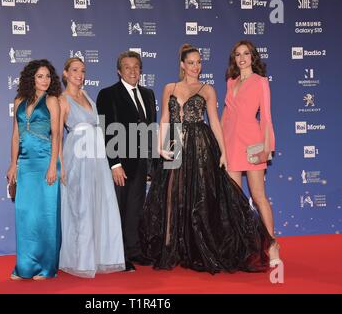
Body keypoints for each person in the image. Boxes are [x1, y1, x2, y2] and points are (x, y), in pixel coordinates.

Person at [139, 44, 273, 274]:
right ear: (182, 65)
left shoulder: (207, 89)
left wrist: (223, 151)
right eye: (191, 62)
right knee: (171, 195)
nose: (195, 67)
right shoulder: (169, 87)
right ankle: (170, 246)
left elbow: (215, 123)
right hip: (175, 143)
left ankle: (264, 242)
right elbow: (163, 119)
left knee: (197, 195)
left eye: (199, 62)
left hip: (200, 143)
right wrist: (160, 147)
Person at [58, 57, 125, 278]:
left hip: (96, 156)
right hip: (77, 157)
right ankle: (80, 260)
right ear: (65, 73)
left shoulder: (87, 95)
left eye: (83, 71)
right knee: (81, 206)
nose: (79, 74)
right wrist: (60, 165)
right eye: (75, 70)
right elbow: (57, 137)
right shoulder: (62, 100)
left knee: (100, 204)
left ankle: (99, 257)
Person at [221, 40, 281, 266]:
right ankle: (241, 248)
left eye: (246, 53)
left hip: (252, 143)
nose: (242, 58)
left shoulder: (260, 82)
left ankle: (272, 244)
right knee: (235, 201)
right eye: (237, 54)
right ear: (234, 59)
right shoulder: (230, 82)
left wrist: (267, 148)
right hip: (230, 143)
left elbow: (266, 117)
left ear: (252, 57)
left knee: (258, 196)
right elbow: (226, 114)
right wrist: (219, 145)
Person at [96, 51, 157, 272]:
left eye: (136, 67)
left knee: (135, 209)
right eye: (127, 67)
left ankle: (134, 250)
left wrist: (151, 163)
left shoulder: (148, 94)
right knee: (118, 209)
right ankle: (118, 254)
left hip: (141, 162)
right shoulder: (108, 94)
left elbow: (151, 130)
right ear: (119, 71)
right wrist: (115, 164)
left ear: (140, 70)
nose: (132, 71)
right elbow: (106, 130)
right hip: (120, 163)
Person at [6, 59, 62, 280]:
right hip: (26, 165)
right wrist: (13, 164)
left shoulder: (52, 101)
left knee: (46, 216)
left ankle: (46, 268)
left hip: (46, 162)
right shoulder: (19, 100)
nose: (45, 80)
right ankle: (25, 267)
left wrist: (52, 167)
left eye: (48, 76)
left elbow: (57, 135)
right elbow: (15, 135)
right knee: (25, 216)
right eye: (40, 76)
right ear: (31, 78)